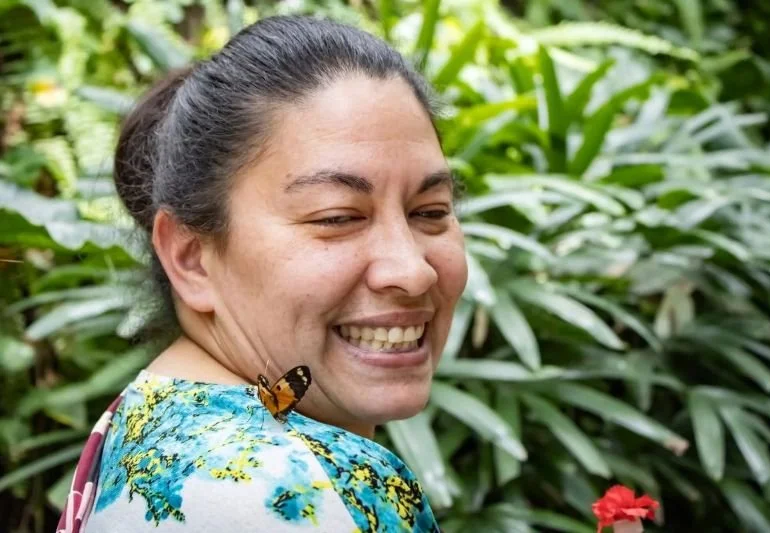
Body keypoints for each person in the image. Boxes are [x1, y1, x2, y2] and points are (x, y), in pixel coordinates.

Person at [57, 14, 468, 533]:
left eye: (431, 211)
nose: (412, 271)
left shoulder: (147, 420)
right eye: (337, 218)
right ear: (191, 256)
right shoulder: (294, 489)